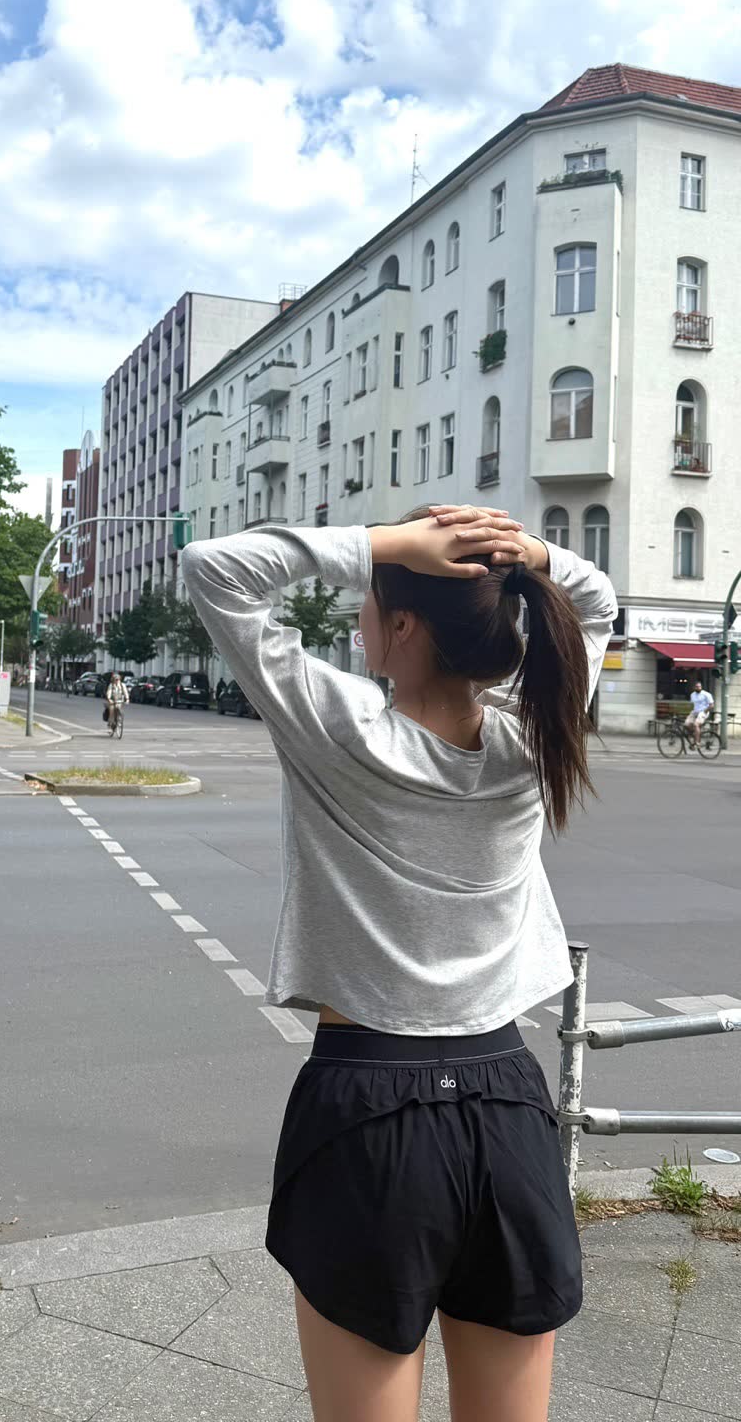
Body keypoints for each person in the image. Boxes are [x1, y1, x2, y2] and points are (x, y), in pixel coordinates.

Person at [180, 504, 617, 1422]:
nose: (358, 617)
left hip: (368, 1110)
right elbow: (595, 601)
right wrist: (526, 552)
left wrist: (386, 545)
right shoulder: (534, 736)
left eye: (371, 602)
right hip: (509, 1106)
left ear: (405, 626)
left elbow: (215, 569)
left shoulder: (339, 725)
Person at [685, 678, 714, 745]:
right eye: (697, 687)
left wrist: (705, 711)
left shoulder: (706, 694)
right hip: (695, 711)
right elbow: (692, 704)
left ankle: (697, 742)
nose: (698, 688)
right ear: (694, 687)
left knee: (696, 724)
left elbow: (712, 705)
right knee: (686, 724)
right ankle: (695, 734)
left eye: (699, 686)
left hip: (703, 712)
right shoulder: (692, 695)